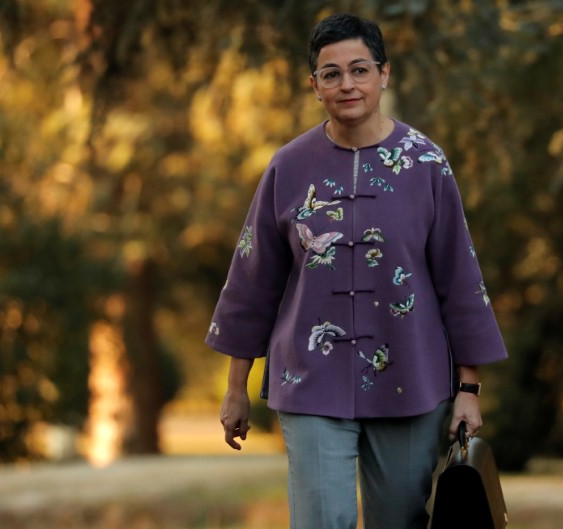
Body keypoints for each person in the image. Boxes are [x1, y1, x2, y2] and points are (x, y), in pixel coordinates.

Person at [206, 12, 507, 529]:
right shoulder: (287, 167)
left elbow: (460, 279)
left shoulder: (425, 164)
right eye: (332, 73)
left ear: (384, 74)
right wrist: (237, 386)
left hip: (411, 378)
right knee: (324, 519)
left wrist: (469, 389)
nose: (347, 84)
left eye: (360, 69)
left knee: (400, 520)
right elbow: (252, 279)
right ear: (315, 85)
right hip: (308, 378)